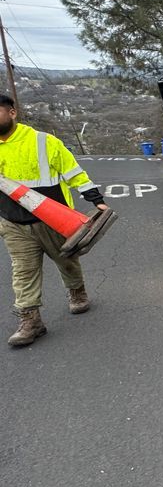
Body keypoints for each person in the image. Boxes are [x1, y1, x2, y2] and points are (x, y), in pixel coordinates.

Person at [0, 94, 107, 347]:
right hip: (14, 223)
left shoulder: (43, 142)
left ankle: (77, 292)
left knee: (66, 260)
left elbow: (73, 172)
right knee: (23, 271)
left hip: (53, 218)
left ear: (12, 113)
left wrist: (95, 198)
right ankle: (31, 320)